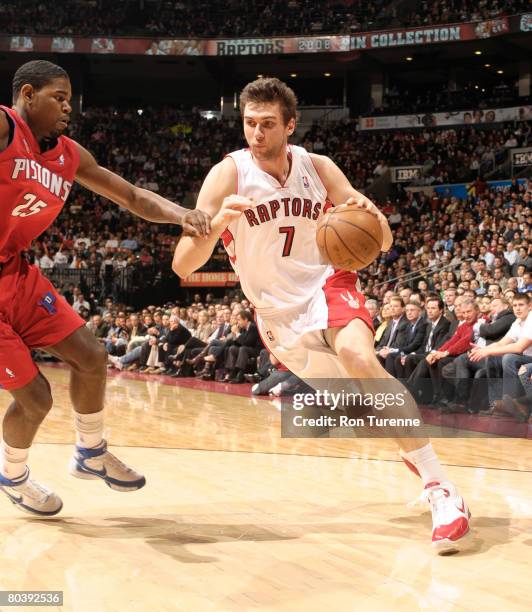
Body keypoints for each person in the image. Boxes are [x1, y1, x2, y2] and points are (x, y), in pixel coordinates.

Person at [172, 77, 470, 554]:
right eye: (250, 123)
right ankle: (412, 449)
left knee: (358, 356)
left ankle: (442, 490)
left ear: (290, 125)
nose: (257, 133)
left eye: (268, 124)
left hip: (327, 284)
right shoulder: (227, 176)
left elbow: (381, 240)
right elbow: (183, 264)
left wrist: (371, 221)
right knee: (363, 410)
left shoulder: (318, 166)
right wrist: (217, 226)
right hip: (276, 315)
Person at [0, 60, 209, 516]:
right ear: (27, 94)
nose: (68, 108)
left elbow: (132, 197)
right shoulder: (5, 127)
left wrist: (182, 215)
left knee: (92, 356)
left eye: (71, 100)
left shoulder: (69, 155)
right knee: (36, 398)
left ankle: (90, 452)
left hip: (15, 273)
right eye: (59, 98)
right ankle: (12, 476)